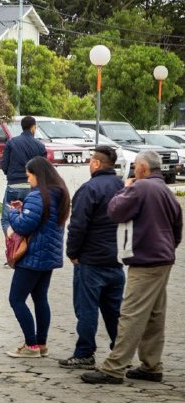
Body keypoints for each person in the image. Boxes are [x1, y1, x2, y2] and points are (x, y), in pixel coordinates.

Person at [82, 151, 182, 385]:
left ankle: (113, 367)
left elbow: (115, 211)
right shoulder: (166, 191)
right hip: (163, 259)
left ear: (144, 168)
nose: (133, 169)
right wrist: (169, 248)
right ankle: (151, 365)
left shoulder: (140, 188)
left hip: (145, 261)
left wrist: (125, 188)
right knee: (154, 316)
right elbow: (178, 226)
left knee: (131, 314)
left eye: (135, 166)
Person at [58, 146, 124, 369]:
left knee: (86, 309)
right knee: (114, 311)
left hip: (91, 260)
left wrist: (73, 253)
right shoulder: (122, 187)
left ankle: (85, 352)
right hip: (116, 260)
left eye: (90, 161)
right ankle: (121, 352)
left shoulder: (89, 189)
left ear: (96, 164)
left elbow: (78, 225)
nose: (89, 164)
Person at [6, 156, 70, 358]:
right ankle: (41, 343)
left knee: (16, 299)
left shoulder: (37, 196)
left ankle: (30, 345)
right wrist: (23, 209)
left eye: (29, 176)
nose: (28, 180)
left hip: (33, 256)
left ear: (38, 175)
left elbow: (23, 226)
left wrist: (13, 214)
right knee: (40, 298)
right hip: (49, 256)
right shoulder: (60, 194)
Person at [0, 116, 46, 237]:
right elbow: (44, 168)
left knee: (6, 219)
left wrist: (11, 175)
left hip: (13, 185)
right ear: (33, 127)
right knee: (30, 218)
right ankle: (27, 244)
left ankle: (13, 245)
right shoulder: (40, 146)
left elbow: (4, 165)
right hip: (32, 188)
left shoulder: (11, 142)